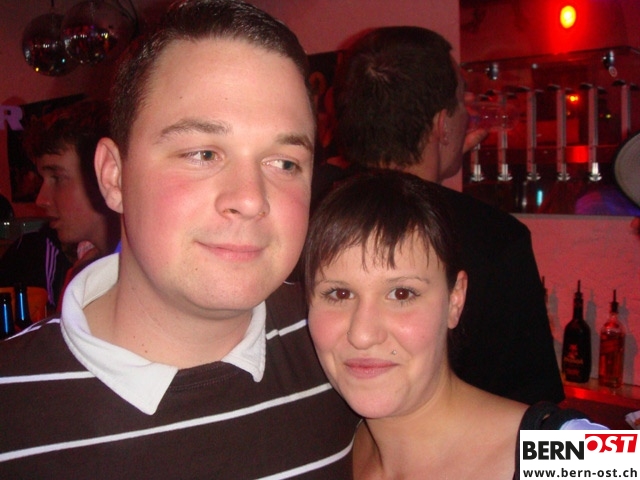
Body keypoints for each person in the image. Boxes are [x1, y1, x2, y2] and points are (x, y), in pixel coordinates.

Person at [0, 1, 358, 478]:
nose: (251, 199)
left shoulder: (350, 349)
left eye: (284, 162)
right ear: (114, 176)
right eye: (203, 153)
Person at [304, 170, 606, 480]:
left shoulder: (576, 454)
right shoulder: (323, 454)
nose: (363, 334)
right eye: (339, 294)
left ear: (455, 300)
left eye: (401, 293)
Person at [325, 26, 564, 405]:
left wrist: (439, 157)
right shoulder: (494, 238)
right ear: (443, 123)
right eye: (460, 105)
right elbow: (535, 409)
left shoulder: (311, 210)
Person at [0, 99, 119, 311]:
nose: (41, 200)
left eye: (57, 177)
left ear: (106, 174)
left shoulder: (141, 277)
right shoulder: (85, 269)